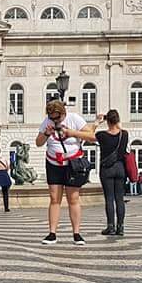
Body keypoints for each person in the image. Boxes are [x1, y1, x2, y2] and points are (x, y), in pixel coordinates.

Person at [36, 98, 93, 245]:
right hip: (53, 163)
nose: (55, 121)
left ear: (63, 113)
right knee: (54, 198)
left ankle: (76, 233)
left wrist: (72, 132)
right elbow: (38, 143)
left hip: (72, 164)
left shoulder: (74, 119)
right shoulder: (47, 122)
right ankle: (52, 233)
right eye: (52, 118)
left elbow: (92, 136)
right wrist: (46, 134)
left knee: (73, 198)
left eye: (57, 117)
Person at [94, 109, 129, 236]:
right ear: (118, 120)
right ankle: (121, 227)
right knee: (119, 198)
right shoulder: (124, 134)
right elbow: (120, 127)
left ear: (107, 121)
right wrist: (116, 121)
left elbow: (89, 134)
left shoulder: (102, 135)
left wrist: (97, 122)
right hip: (120, 168)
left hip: (107, 169)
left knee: (109, 198)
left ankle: (110, 227)